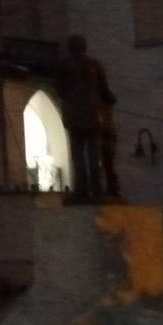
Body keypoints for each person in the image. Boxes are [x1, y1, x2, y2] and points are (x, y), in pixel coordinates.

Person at [54, 34, 119, 203]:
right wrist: (109, 100)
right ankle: (96, 191)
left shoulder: (64, 66)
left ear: (70, 48)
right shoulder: (95, 65)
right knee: (93, 154)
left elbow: (59, 90)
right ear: (84, 47)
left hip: (74, 116)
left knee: (77, 155)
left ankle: (81, 191)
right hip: (93, 116)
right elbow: (105, 91)